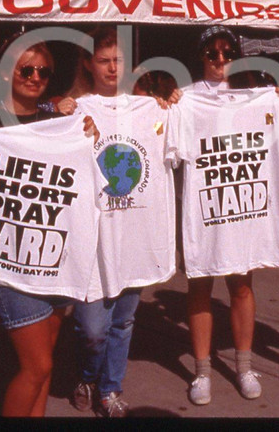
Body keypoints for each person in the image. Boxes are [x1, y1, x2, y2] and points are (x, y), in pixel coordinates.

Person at [0, 33, 91, 417]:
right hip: (11, 264)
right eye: (27, 69)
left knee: (45, 363)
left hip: (54, 257)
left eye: (44, 71)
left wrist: (87, 137)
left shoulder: (57, 122)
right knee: (37, 366)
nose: (36, 77)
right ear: (6, 73)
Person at [56, 26, 175, 418]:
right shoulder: (76, 108)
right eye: (104, 60)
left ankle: (109, 390)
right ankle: (87, 375)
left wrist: (172, 102)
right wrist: (56, 112)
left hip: (134, 235)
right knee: (92, 329)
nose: (111, 67)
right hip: (92, 237)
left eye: (117, 60)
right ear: (89, 64)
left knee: (123, 322)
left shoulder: (147, 108)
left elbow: (179, 126)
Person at [173, 25, 279, 405]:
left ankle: (244, 366)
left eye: (227, 52)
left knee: (242, 284)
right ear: (200, 56)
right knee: (200, 284)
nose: (220, 60)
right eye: (212, 53)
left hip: (242, 207)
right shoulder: (185, 99)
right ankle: (202, 371)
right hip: (205, 208)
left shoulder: (254, 95)